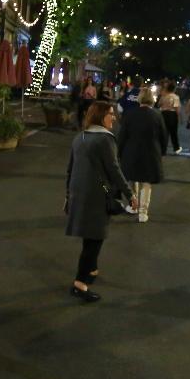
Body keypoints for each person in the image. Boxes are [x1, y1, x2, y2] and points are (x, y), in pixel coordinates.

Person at [65, 101, 131, 303]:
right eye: (110, 114)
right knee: (94, 241)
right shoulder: (105, 140)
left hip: (79, 194)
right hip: (97, 196)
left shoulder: (80, 137)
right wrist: (131, 194)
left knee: (90, 237)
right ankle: (80, 284)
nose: (114, 118)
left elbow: (70, 168)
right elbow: (114, 169)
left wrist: (67, 196)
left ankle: (91, 270)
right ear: (101, 117)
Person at [118, 87, 165, 223]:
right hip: (151, 152)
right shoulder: (157, 115)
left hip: (131, 151)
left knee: (133, 179)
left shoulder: (130, 114)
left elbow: (122, 136)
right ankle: (143, 212)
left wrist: (119, 152)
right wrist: (161, 152)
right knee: (146, 182)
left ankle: (134, 206)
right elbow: (163, 136)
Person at [159, 82, 182, 154]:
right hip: (172, 115)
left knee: (164, 133)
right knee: (173, 132)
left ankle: (163, 149)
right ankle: (176, 148)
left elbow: (159, 104)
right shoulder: (175, 97)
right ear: (174, 89)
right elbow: (176, 108)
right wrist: (179, 117)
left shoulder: (163, 96)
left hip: (163, 114)